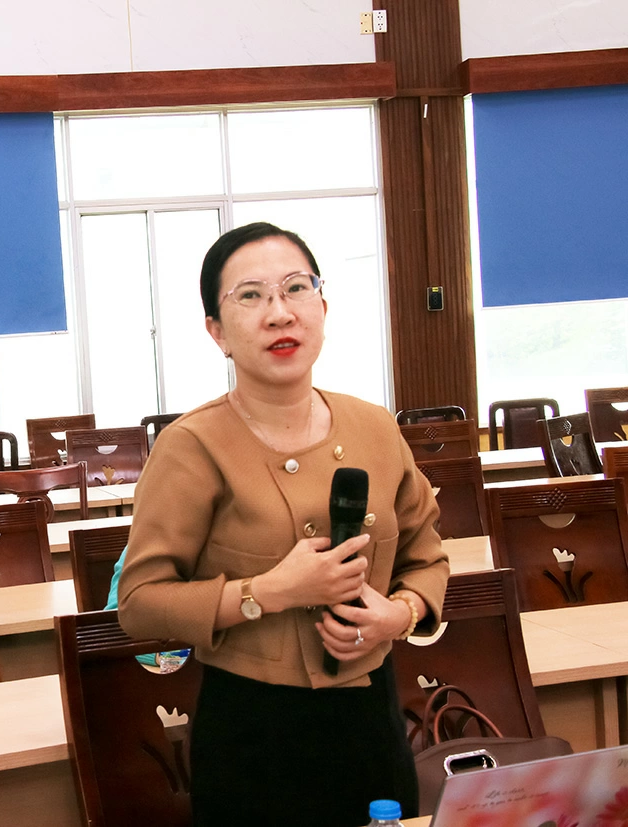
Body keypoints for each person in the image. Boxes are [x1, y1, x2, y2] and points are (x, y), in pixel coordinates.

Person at [117, 221, 450, 827]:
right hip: (254, 731)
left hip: (372, 718)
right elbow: (139, 604)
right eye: (250, 295)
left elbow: (428, 557)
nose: (279, 313)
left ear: (322, 305)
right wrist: (268, 593)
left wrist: (398, 615)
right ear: (216, 331)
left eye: (296, 288)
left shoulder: (375, 426)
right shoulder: (191, 445)